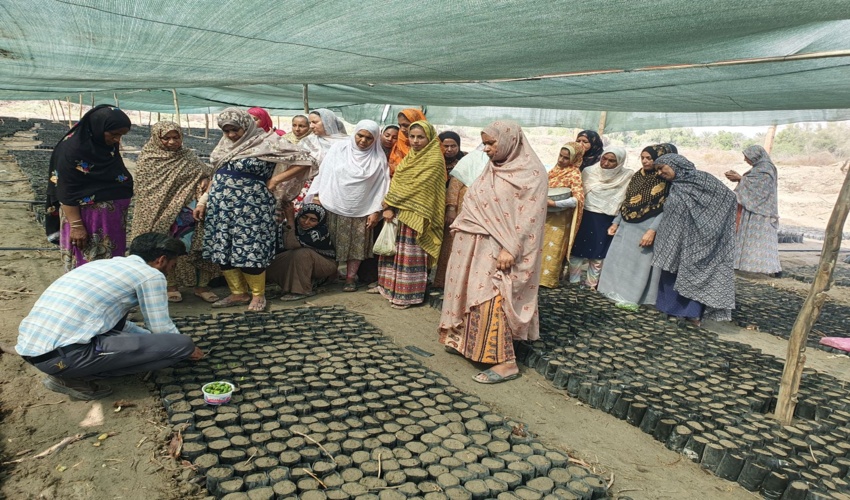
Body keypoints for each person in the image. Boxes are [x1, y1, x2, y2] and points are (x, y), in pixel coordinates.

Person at [15, 233, 202, 401]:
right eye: (172, 265)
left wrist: (150, 340)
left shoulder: (105, 264)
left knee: (150, 341)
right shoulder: (150, 275)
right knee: (181, 346)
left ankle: (75, 370)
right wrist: (186, 346)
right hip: (63, 357)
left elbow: (119, 325)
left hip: (33, 350)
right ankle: (75, 378)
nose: (170, 270)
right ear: (161, 260)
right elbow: (161, 328)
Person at [439, 120, 548, 384]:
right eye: (484, 143)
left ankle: (505, 363)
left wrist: (511, 248)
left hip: (499, 249)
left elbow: (531, 217)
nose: (486, 149)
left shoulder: (532, 174)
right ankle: (469, 345)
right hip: (473, 246)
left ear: (510, 140)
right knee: (471, 293)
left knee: (490, 297)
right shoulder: (493, 169)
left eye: (491, 143)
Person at [196, 108, 316, 312]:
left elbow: (307, 161)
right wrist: (203, 201)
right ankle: (238, 293)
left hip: (253, 207)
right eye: (226, 131)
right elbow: (217, 174)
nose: (231, 135)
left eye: (235, 130)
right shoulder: (225, 144)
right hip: (221, 207)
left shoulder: (267, 142)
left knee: (251, 249)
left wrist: (276, 179)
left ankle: (258, 295)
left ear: (247, 126)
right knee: (224, 249)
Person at [130, 121, 220, 303]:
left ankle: (201, 286)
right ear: (157, 138)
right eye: (166, 138)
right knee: (165, 247)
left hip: (188, 213)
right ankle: (171, 285)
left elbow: (211, 172)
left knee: (197, 246)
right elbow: (146, 192)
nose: (172, 142)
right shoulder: (148, 159)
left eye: (176, 137)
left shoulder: (187, 156)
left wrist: (205, 179)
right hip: (161, 214)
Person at [45, 105, 133, 273]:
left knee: (109, 265)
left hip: (109, 224)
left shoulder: (103, 147)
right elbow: (66, 190)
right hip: (86, 221)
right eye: (114, 134)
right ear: (97, 127)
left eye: (121, 135)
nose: (117, 140)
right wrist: (77, 226)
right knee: (88, 264)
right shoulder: (73, 150)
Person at [653, 153, 737, 324]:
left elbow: (728, 198)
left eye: (662, 168)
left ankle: (692, 314)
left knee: (694, 273)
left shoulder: (703, 180)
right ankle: (671, 311)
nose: (660, 173)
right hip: (672, 238)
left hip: (699, 239)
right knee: (670, 272)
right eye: (657, 170)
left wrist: (711, 224)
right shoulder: (673, 185)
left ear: (676, 165)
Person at [307, 120, 389, 291]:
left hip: (362, 208)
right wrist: (317, 195)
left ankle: (350, 278)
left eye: (369, 138)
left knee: (356, 245)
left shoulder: (378, 158)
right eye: (360, 135)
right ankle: (331, 274)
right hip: (333, 203)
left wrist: (376, 211)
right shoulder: (339, 149)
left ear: (375, 140)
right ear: (355, 133)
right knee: (332, 243)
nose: (363, 141)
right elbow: (324, 173)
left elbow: (382, 187)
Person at [373, 120, 445, 309]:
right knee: (393, 253)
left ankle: (406, 295)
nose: (415, 141)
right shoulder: (410, 157)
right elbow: (398, 182)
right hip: (398, 212)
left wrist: (390, 202)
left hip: (418, 215)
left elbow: (416, 188)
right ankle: (388, 288)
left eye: (420, 137)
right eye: (412, 136)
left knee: (409, 255)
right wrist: (390, 207)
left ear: (429, 138)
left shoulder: (434, 160)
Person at [596, 144, 674, 310]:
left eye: (650, 158)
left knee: (637, 266)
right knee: (617, 261)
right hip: (626, 223)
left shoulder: (666, 180)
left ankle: (631, 297)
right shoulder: (638, 175)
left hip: (645, 228)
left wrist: (652, 230)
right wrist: (616, 222)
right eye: (643, 157)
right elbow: (627, 201)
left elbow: (665, 209)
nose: (645, 161)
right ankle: (610, 291)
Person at [568, 147, 632, 288]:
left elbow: (625, 200)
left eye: (611, 161)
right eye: (604, 158)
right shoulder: (589, 172)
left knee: (598, 254)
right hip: (586, 215)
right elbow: (580, 194)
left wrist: (616, 222)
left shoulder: (626, 176)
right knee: (577, 250)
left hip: (607, 219)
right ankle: (573, 282)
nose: (606, 163)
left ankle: (591, 284)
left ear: (620, 162)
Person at [432, 146, 490, 289]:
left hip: (485, 214)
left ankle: (469, 284)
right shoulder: (470, 159)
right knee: (454, 243)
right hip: (462, 211)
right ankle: (444, 280)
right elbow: (454, 185)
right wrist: (451, 208)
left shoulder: (501, 162)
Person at [725, 145, 781, 275]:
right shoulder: (759, 168)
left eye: (747, 157)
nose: (745, 160)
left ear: (755, 156)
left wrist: (740, 179)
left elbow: (760, 189)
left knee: (761, 241)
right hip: (753, 210)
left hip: (761, 211)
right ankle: (748, 264)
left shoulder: (766, 169)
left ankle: (764, 267)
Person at [267, 203, 338, 301]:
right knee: (267, 262)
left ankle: (301, 290)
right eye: (304, 217)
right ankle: (289, 285)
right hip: (296, 262)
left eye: (313, 220)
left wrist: (290, 220)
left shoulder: (319, 231)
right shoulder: (290, 225)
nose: (306, 222)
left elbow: (291, 244)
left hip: (325, 264)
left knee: (301, 253)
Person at [539, 143, 585, 288]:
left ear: (574, 158)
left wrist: (556, 204)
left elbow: (577, 200)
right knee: (541, 246)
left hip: (560, 218)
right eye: (561, 156)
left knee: (554, 247)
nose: (561, 160)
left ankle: (548, 280)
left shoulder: (574, 174)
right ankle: (535, 278)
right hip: (545, 216)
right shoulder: (554, 170)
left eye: (566, 158)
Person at [388, 108, 427, 176]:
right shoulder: (400, 139)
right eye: (400, 125)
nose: (402, 129)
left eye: (406, 125)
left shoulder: (432, 145)